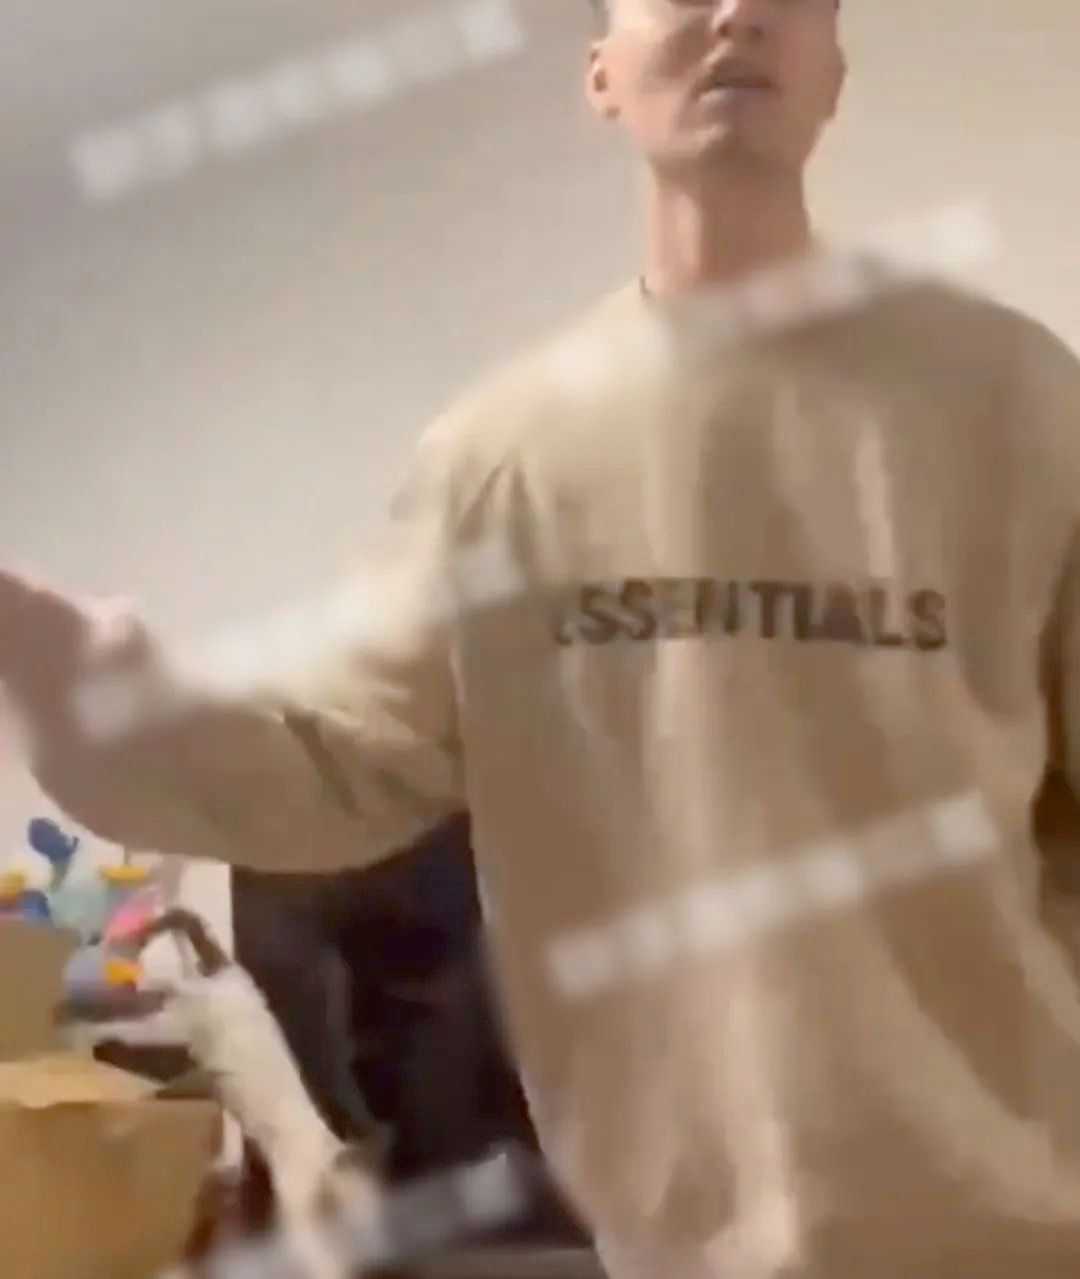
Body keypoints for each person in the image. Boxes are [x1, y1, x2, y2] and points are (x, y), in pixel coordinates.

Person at [5, 0, 1080, 1274]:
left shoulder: (1021, 405)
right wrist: (65, 670)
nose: (739, 14)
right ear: (601, 74)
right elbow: (329, 767)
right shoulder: (502, 459)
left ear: (834, 69)